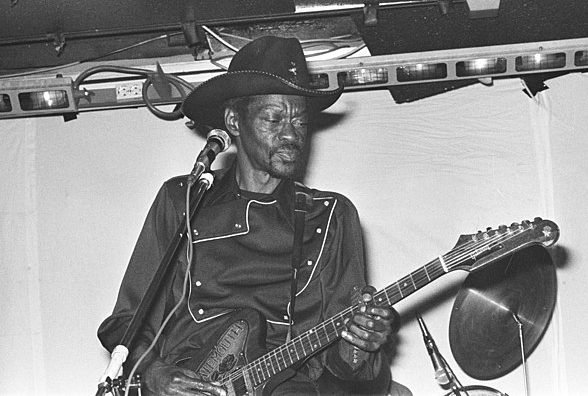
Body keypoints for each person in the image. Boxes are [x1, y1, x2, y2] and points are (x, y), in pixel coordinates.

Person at [98, 36, 397, 396]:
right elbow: (127, 321)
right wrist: (154, 373)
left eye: (300, 122)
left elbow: (342, 364)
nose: (290, 134)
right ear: (233, 122)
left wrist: (360, 340)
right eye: (274, 118)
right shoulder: (183, 200)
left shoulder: (330, 215)